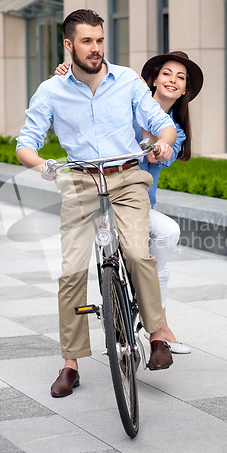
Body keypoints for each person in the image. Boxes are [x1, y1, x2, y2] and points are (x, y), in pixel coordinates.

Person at [16, 9, 177, 398]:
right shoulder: (51, 90)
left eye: (100, 40)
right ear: (69, 45)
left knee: (138, 254)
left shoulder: (127, 81)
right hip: (81, 182)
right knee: (71, 272)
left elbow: (161, 122)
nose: (95, 49)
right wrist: (44, 166)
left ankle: (158, 336)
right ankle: (70, 363)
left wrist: (165, 142)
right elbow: (25, 144)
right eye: (87, 41)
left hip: (126, 179)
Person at [54, 50, 204, 354]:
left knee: (167, 234)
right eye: (167, 73)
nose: (173, 80)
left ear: (185, 89)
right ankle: (152, 320)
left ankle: (154, 315)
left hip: (138, 204)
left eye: (180, 77)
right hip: (99, 194)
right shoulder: (128, 103)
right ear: (153, 79)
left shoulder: (175, 132)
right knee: (75, 268)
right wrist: (70, 76)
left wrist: (160, 143)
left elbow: (154, 154)